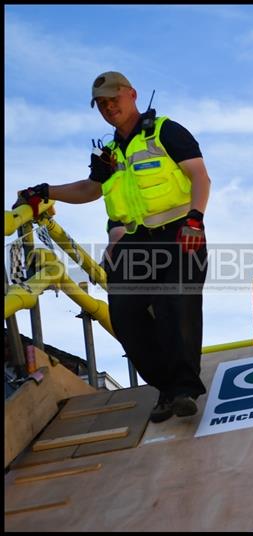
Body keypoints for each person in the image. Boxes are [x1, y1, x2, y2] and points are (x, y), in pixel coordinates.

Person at [14, 71, 212, 423]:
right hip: (136, 243)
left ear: (132, 95)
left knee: (173, 306)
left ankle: (183, 389)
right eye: (102, 104)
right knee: (125, 316)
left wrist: (196, 219)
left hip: (180, 232)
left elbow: (199, 175)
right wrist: (46, 191)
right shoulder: (109, 153)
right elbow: (90, 190)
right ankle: (167, 388)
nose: (108, 108)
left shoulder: (166, 131)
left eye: (113, 99)